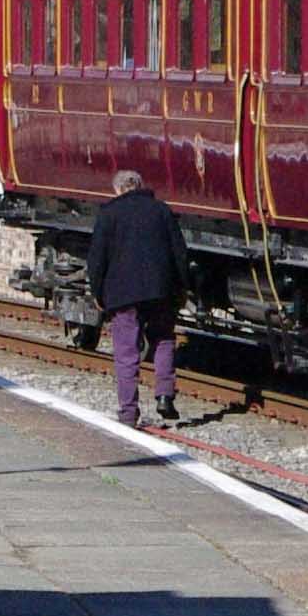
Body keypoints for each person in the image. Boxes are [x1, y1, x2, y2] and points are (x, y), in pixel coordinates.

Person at [86, 167, 187, 426]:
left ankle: (129, 412)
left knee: (126, 352)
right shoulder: (162, 210)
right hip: (160, 291)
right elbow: (179, 253)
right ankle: (165, 396)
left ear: (118, 189)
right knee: (163, 339)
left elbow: (96, 260)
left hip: (123, 295)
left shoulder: (109, 214)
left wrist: (97, 292)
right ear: (140, 185)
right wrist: (181, 289)